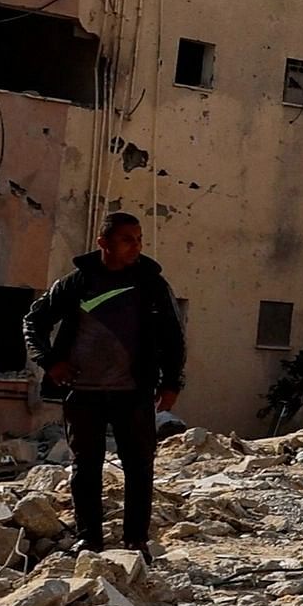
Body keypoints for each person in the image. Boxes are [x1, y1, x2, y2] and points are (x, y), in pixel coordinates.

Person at [22, 212, 186, 554]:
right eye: (128, 239)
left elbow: (173, 337)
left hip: (133, 391)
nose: (136, 246)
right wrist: (50, 361)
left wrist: (172, 383)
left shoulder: (151, 284)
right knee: (86, 467)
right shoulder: (76, 284)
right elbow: (33, 321)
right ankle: (89, 539)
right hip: (84, 393)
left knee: (139, 467)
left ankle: (136, 540)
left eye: (139, 239)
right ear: (104, 243)